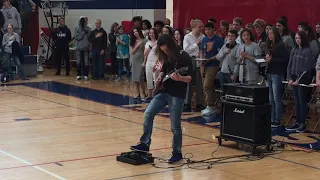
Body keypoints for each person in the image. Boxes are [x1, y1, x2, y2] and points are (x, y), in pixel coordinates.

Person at [130, 34, 193, 163]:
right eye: (162, 50)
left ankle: (177, 152)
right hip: (163, 90)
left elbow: (190, 78)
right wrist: (161, 76)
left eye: (165, 49)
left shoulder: (184, 57)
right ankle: (144, 143)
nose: (164, 52)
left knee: (175, 125)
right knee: (148, 114)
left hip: (177, 94)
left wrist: (180, 78)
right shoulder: (166, 56)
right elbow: (165, 69)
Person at [286, 31, 314, 132]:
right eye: (296, 38)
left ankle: (302, 123)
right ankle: (297, 122)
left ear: (303, 39)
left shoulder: (308, 51)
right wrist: (289, 78)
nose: (297, 40)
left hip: (303, 80)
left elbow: (306, 68)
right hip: (293, 78)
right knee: (296, 102)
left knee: (302, 102)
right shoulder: (294, 50)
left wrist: (298, 80)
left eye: (299, 38)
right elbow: (289, 65)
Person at [265, 27, 289, 127]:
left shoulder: (281, 45)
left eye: (272, 33)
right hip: (269, 72)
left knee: (276, 98)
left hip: (277, 73)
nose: (270, 35)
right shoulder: (269, 45)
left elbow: (285, 59)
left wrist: (272, 60)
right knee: (270, 99)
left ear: (275, 34)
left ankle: (277, 119)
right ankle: (272, 118)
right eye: (268, 33)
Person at [74, 16, 91, 80]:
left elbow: (90, 38)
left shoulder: (88, 29)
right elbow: (77, 37)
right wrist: (83, 32)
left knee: (86, 62)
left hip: (86, 48)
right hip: (79, 48)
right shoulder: (76, 29)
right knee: (78, 62)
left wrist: (89, 45)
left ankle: (85, 74)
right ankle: (78, 74)